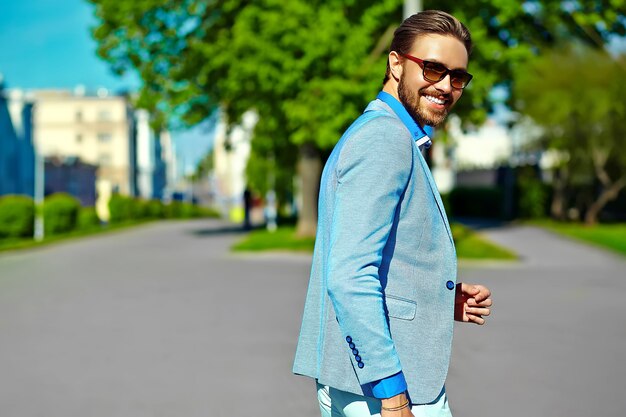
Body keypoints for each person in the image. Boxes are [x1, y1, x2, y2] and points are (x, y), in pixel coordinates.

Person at [293, 10, 492, 417]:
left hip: (374, 384)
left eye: (457, 77)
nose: (446, 86)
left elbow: (374, 256)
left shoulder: (389, 135)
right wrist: (393, 394)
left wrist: (437, 297)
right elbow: (349, 275)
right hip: (387, 391)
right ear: (396, 63)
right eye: (433, 68)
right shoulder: (384, 139)